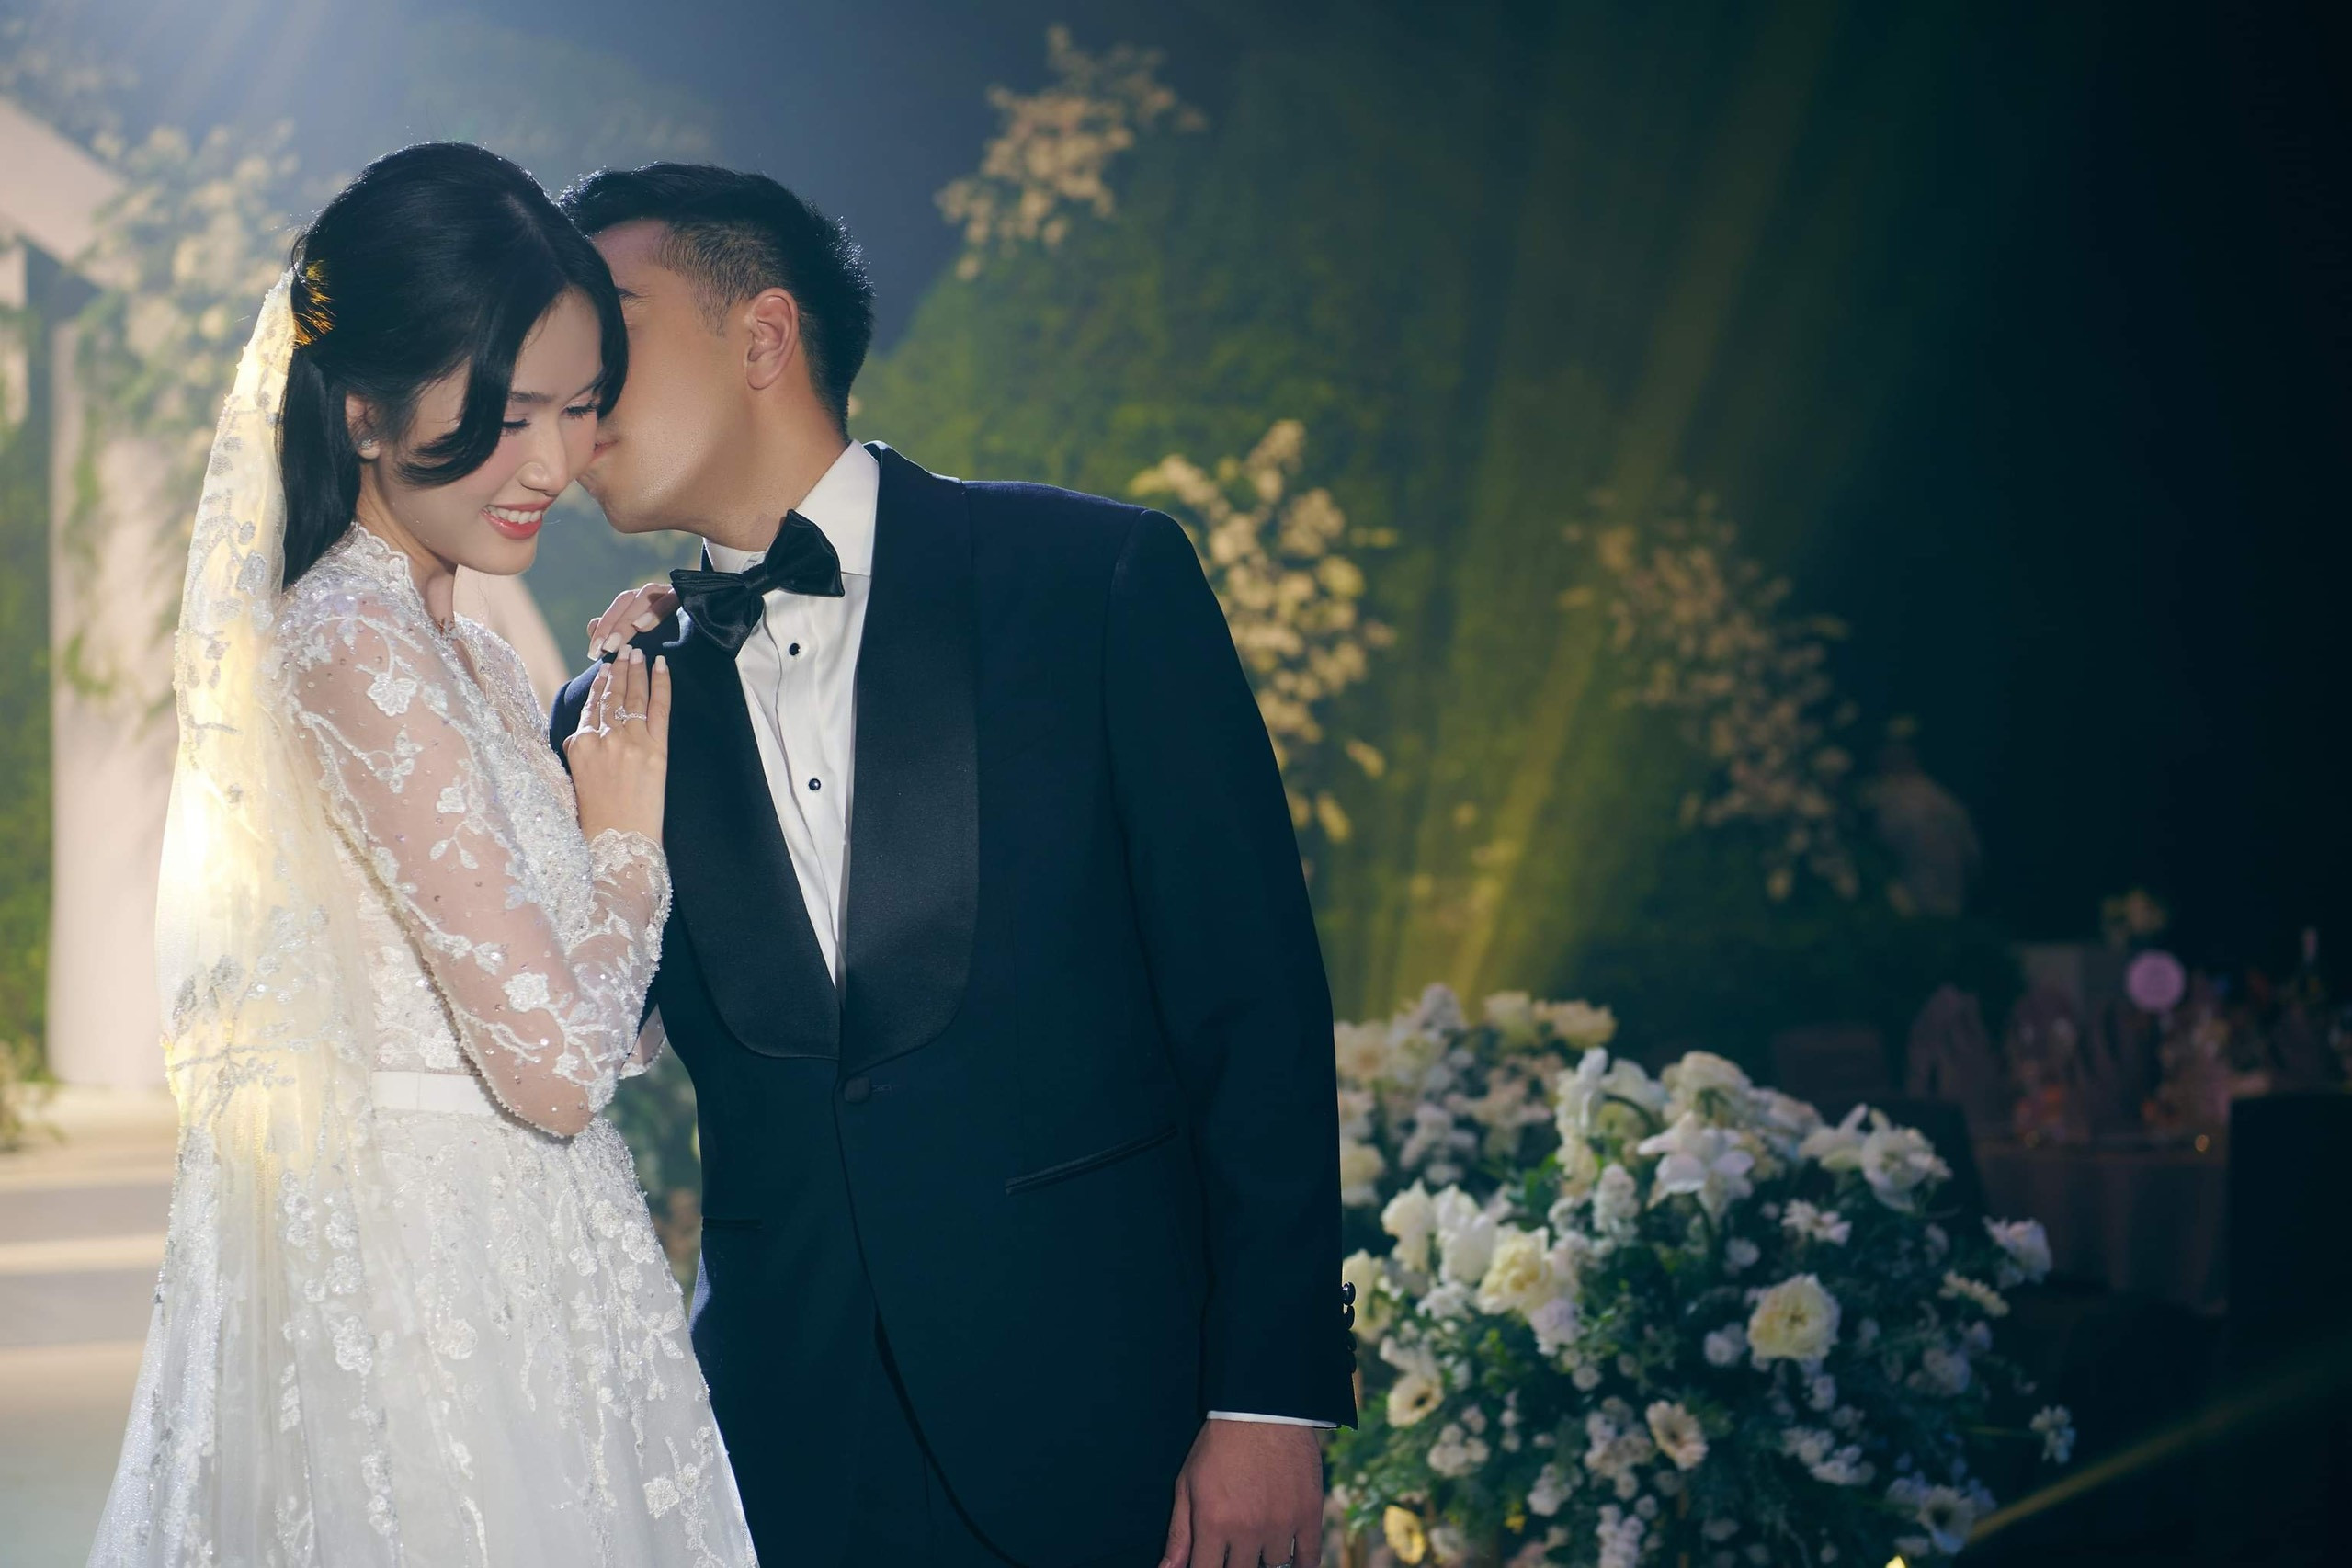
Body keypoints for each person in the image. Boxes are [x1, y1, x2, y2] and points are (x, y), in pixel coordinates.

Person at [551, 164, 1355, 1568]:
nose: (573, 383)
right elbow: (570, 1045)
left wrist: (1268, 1399)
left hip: (1120, 1431)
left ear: (762, 336)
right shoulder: (608, 713)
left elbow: (1255, 1012)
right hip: (786, 1462)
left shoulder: (1093, 581)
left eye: (610, 325)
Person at [89, 143, 756, 1566]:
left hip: (537, 1263)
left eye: (579, 408)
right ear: (364, 410)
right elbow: (560, 1069)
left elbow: (606, 1024)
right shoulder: (354, 640)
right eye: (508, 416)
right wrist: (621, 842)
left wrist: (627, 723)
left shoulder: (471, 656)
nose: (554, 465)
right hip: (432, 1290)